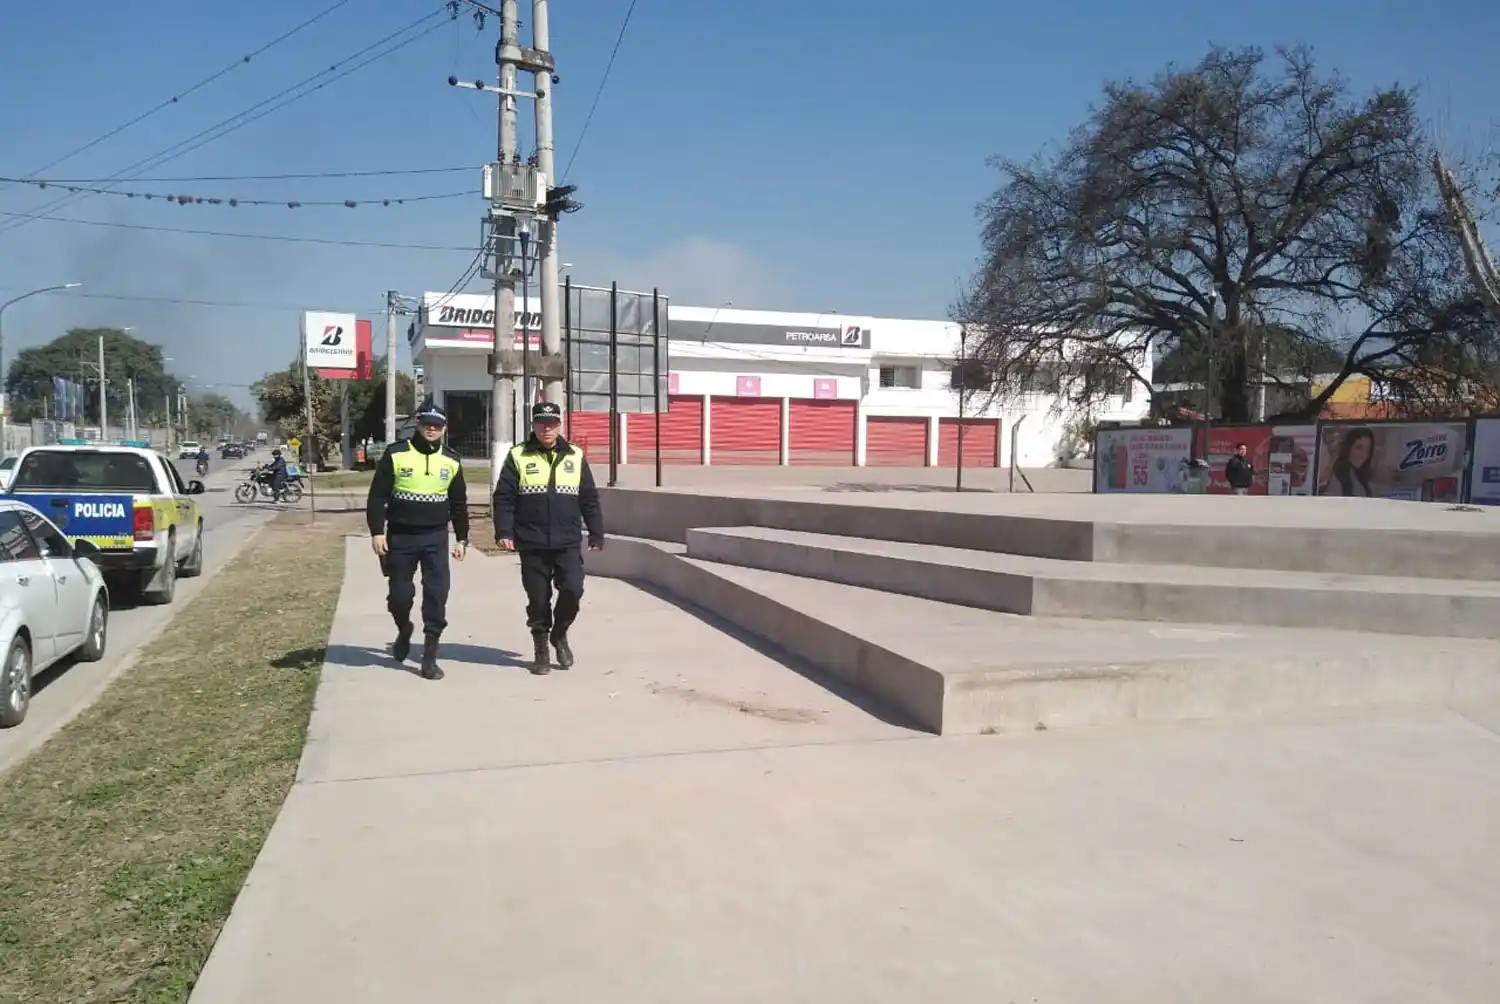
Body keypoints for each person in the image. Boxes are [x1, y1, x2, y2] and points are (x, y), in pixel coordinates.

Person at [493, 401, 604, 675]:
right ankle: (541, 649)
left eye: (552, 424)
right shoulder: (518, 455)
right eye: (541, 423)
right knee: (538, 599)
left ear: (559, 426)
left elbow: (589, 499)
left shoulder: (575, 456)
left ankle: (560, 633)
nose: (546, 429)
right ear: (533, 425)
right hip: (532, 542)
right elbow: (504, 498)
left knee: (573, 590)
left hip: (567, 540)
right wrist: (504, 531)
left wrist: (596, 532)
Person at [366, 402, 468, 680]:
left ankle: (429, 658)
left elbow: (458, 503)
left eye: (438, 425)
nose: (432, 429)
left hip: (436, 538)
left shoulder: (451, 459)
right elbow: (377, 496)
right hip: (401, 537)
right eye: (427, 424)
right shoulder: (396, 454)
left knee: (436, 596)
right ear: (418, 424)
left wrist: (462, 538)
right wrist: (377, 531)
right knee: (400, 596)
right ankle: (403, 629)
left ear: (444, 429)